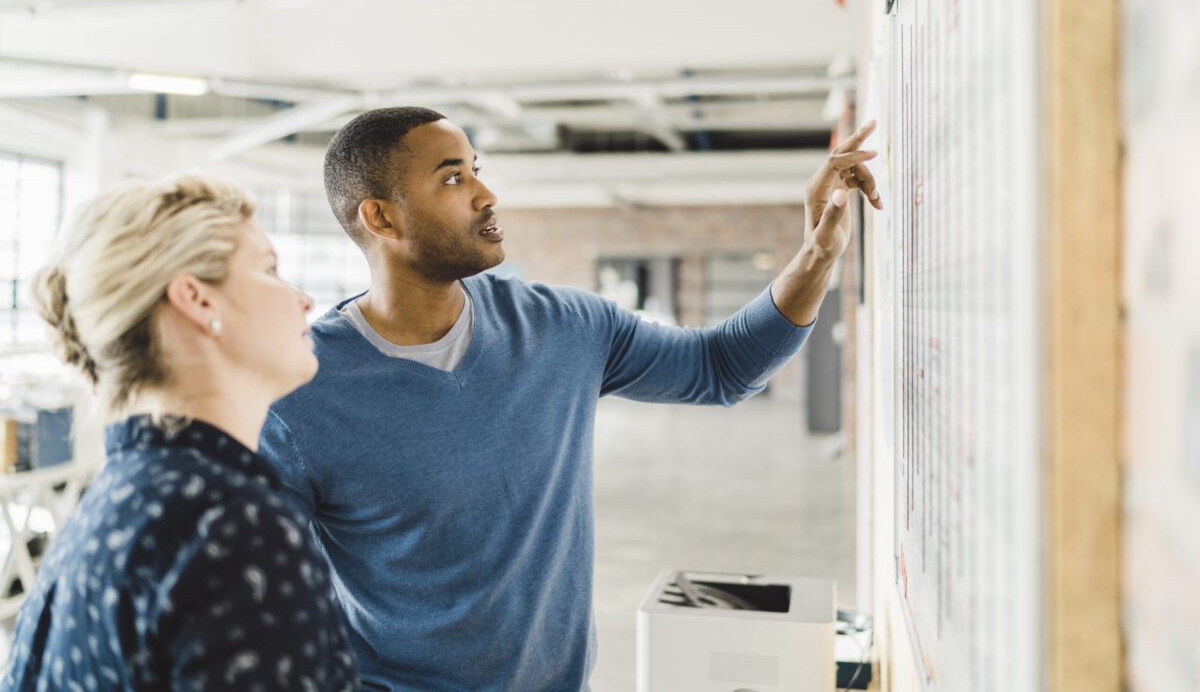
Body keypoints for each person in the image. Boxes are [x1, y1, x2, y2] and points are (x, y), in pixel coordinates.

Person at [258, 107, 881, 692]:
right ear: (382, 219)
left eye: (477, 170)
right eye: (452, 179)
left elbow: (721, 368)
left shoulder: (563, 327)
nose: (486, 194)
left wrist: (818, 256)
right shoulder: (297, 391)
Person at [1, 176, 360, 692]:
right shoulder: (234, 529)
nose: (302, 300)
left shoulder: (119, 504)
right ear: (197, 299)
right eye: (269, 269)